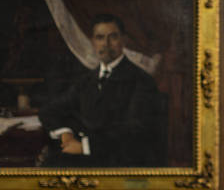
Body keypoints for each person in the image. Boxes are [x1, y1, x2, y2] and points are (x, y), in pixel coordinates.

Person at [39, 14, 164, 167]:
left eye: (113, 37)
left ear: (123, 40)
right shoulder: (86, 81)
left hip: (120, 163)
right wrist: (66, 133)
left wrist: (85, 146)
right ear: (92, 42)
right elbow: (50, 110)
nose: (106, 44)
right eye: (100, 37)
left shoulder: (142, 81)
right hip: (87, 159)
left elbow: (134, 132)